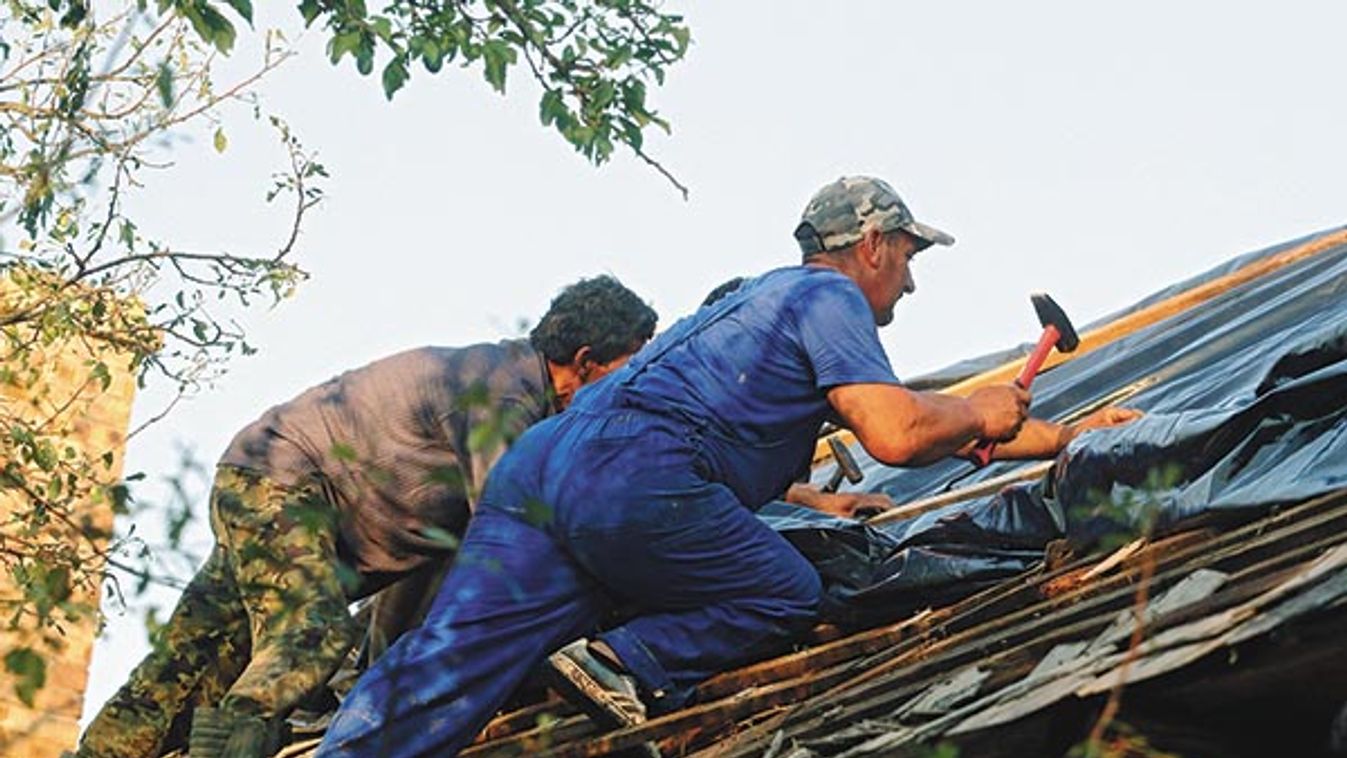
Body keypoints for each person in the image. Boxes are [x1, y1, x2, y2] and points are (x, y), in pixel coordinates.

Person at [316, 176, 1140, 756]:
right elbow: (896, 434)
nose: (912, 284)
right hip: (635, 476)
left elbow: (942, 432)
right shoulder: (831, 299)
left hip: (543, 468)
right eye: (910, 258)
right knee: (781, 586)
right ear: (875, 244)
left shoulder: (750, 301)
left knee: (446, 664)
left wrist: (1067, 434)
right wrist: (978, 407)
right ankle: (619, 662)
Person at [76, 275, 658, 758]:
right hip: (288, 485)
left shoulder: (499, 377)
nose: (628, 385)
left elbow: (444, 563)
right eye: (627, 366)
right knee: (310, 638)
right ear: (584, 361)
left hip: (264, 479)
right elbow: (510, 541)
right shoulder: (507, 396)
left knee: (195, 658)